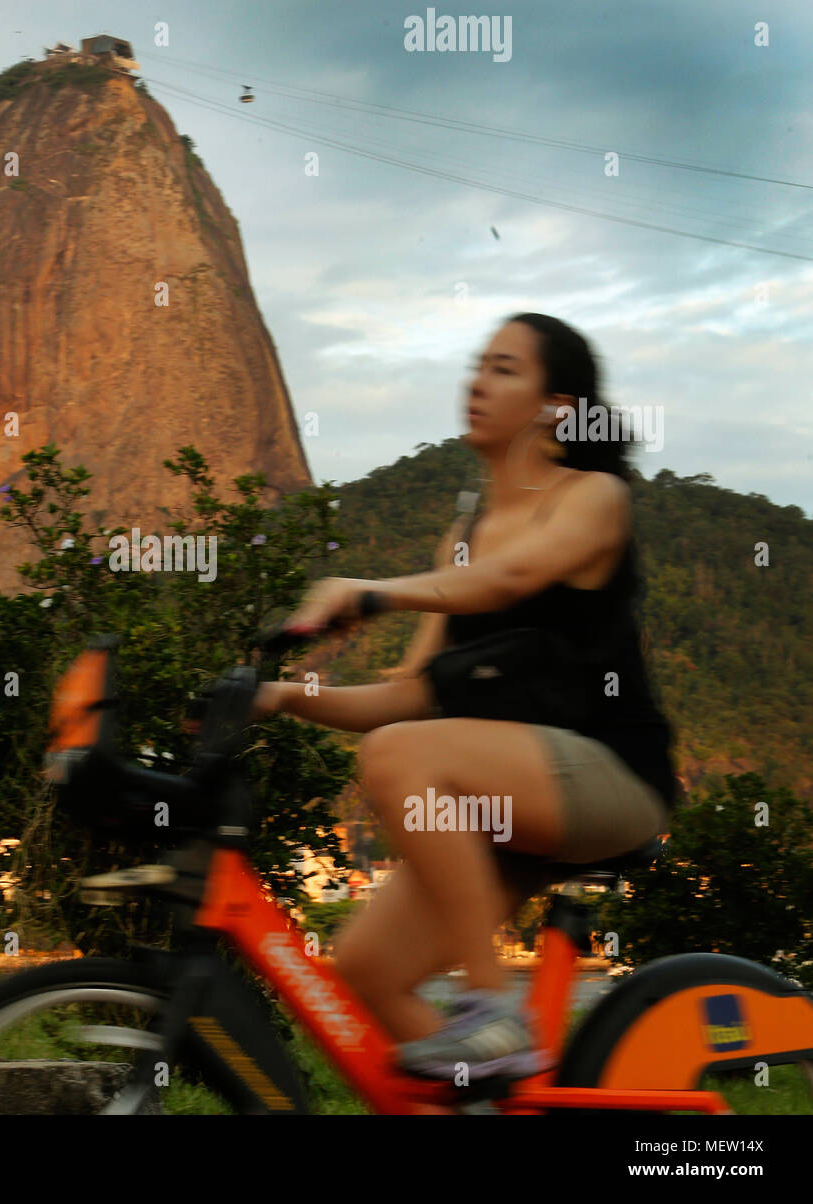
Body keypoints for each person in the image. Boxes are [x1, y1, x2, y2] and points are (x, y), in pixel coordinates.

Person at [255, 313, 675, 1084]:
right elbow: (410, 696)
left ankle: (493, 1008)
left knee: (399, 757)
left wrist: (373, 592)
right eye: (478, 364)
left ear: (557, 406)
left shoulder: (593, 498)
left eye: (506, 369)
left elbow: (510, 579)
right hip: (510, 802)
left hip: (613, 779)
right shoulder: (462, 536)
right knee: (368, 969)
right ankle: (499, 1095)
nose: (477, 382)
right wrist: (279, 696)